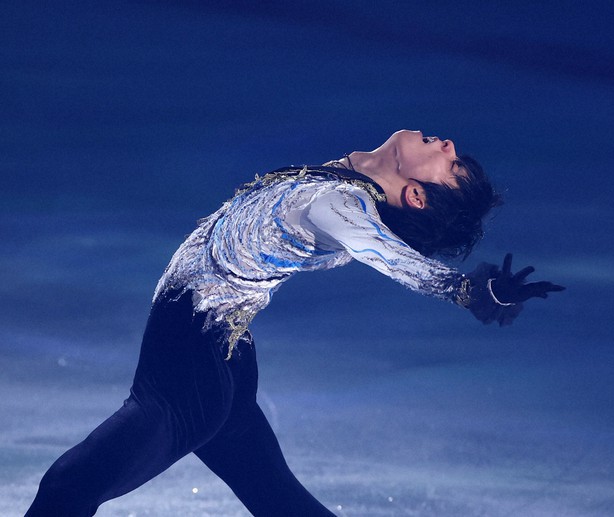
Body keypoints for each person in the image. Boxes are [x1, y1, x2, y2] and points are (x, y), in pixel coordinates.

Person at [25, 129, 564, 516]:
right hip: (223, 354)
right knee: (278, 500)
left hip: (193, 364)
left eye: (451, 165)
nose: (448, 145)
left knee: (68, 489)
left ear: (418, 195)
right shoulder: (347, 178)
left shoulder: (341, 206)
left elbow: (383, 250)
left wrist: (468, 290)